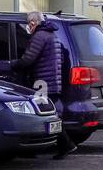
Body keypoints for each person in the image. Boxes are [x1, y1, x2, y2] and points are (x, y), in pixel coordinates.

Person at [11, 11, 76, 159]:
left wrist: (14, 65)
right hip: (53, 80)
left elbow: (28, 59)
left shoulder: (39, 36)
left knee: (42, 116)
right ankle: (65, 145)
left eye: (29, 23)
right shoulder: (52, 35)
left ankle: (61, 145)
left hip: (42, 82)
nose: (28, 26)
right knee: (51, 115)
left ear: (34, 23)